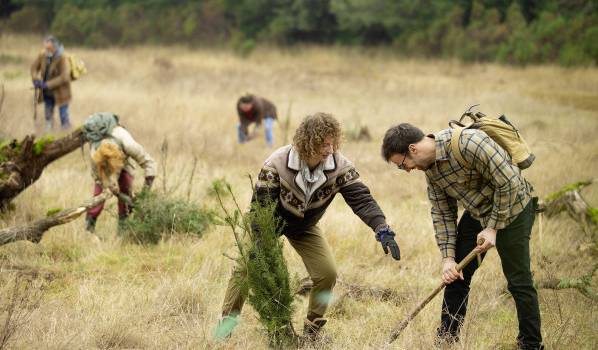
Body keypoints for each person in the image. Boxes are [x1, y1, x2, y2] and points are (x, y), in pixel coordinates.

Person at [215, 112, 401, 342]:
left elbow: (361, 199)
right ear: (308, 142)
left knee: (327, 273)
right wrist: (261, 243)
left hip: (304, 225)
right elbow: (261, 206)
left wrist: (381, 227)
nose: (330, 150)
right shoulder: (276, 163)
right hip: (266, 220)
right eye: (324, 144)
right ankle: (225, 328)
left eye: (332, 144)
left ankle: (312, 332)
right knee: (245, 267)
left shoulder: (339, 166)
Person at [380, 123, 543, 350]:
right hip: (478, 212)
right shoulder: (430, 171)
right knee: (456, 275)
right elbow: (442, 214)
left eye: (402, 165)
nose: (406, 170)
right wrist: (448, 260)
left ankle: (531, 344)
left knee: (519, 280)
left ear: (413, 149)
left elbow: (510, 184)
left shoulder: (469, 143)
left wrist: (493, 228)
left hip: (513, 208)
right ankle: (446, 341)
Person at [85, 113, 158, 233]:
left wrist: (146, 190)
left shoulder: (128, 144)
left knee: (126, 187)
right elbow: (98, 177)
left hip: (123, 157)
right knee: (98, 195)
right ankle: (88, 231)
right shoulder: (94, 155)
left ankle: (122, 232)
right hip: (101, 164)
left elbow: (150, 164)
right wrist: (109, 185)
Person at [30, 35, 72, 130]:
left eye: (48, 48)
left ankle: (67, 135)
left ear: (55, 47)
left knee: (63, 116)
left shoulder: (62, 57)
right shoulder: (43, 55)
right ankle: (48, 137)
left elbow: (64, 76)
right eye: (45, 48)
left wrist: (47, 84)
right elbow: (34, 68)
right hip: (48, 94)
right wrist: (35, 79)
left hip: (62, 94)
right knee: (48, 117)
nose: (46, 50)